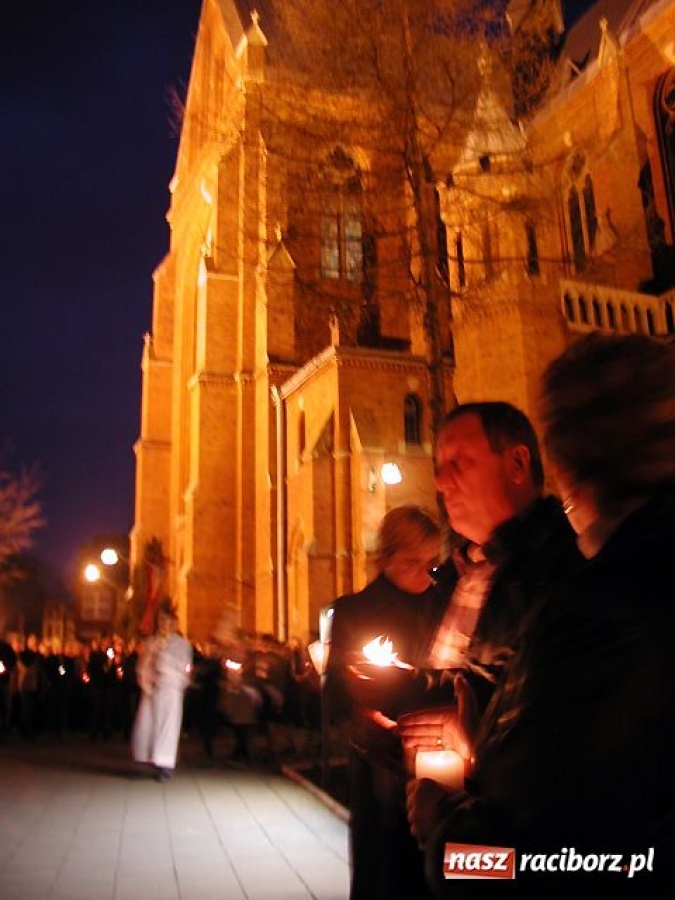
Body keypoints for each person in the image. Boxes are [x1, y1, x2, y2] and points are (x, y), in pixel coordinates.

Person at [407, 334, 675, 897]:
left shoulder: (596, 606)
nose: (441, 481)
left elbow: (533, 863)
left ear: (558, 461)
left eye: (460, 463)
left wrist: (447, 836)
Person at [325, 504, 445, 900]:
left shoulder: (444, 605)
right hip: (381, 765)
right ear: (386, 557)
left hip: (438, 759)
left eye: (432, 565)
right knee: (384, 875)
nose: (424, 576)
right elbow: (335, 700)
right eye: (412, 563)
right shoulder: (354, 611)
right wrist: (359, 704)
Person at [131, 608, 193, 780]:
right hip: (152, 689)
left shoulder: (181, 644)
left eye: (166, 621)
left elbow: (182, 667)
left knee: (167, 725)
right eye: (160, 621)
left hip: (170, 689)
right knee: (150, 724)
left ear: (173, 624)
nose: (163, 625)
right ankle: (150, 757)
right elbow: (143, 663)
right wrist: (146, 673)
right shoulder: (152, 642)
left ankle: (165, 763)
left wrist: (163, 658)